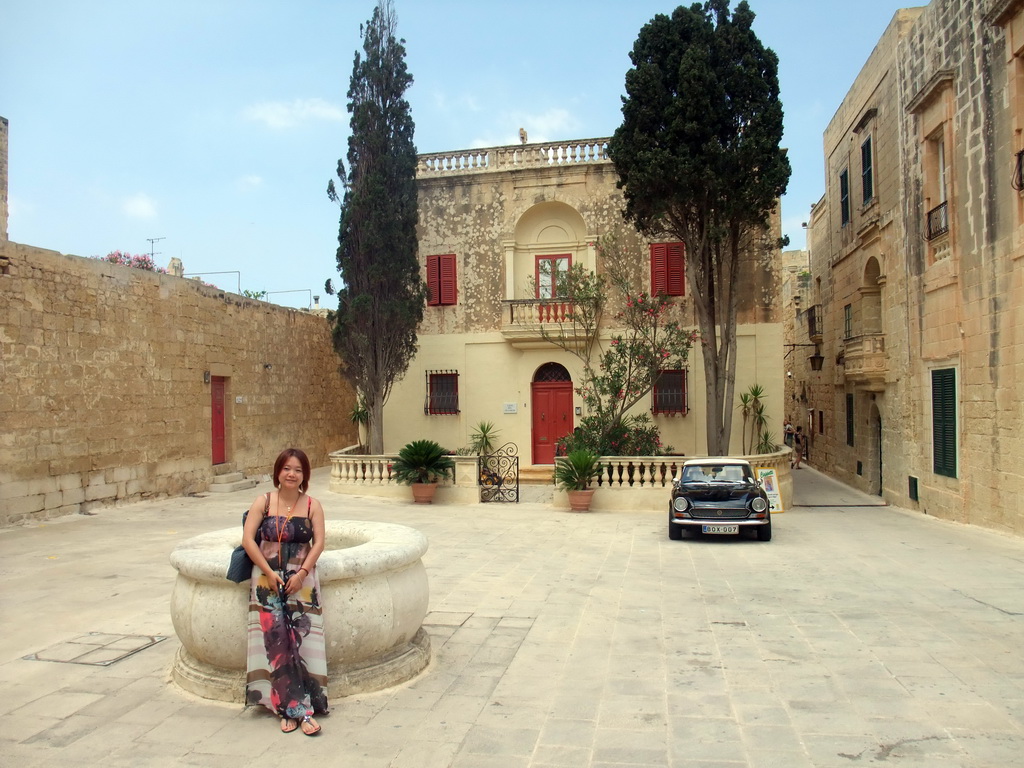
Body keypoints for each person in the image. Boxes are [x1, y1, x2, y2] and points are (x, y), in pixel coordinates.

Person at [242, 447, 328, 735]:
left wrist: (302, 573)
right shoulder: (263, 501)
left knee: (301, 644)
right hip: (266, 582)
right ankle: (289, 709)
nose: (292, 474)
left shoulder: (312, 505)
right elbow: (248, 541)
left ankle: (298, 708)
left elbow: (318, 543)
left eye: (298, 470)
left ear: (305, 475)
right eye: (287, 468)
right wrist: (268, 572)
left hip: (301, 583)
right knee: (276, 646)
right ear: (278, 471)